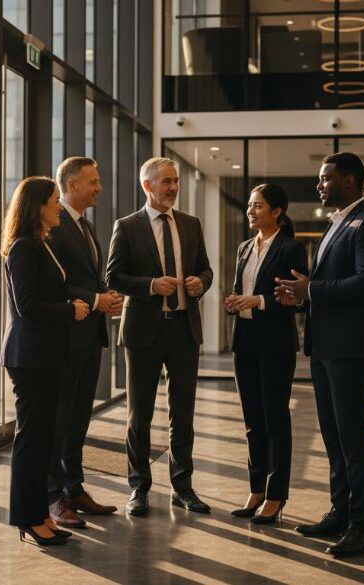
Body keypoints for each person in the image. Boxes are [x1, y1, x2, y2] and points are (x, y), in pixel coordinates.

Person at [275, 152, 364, 557]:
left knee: (352, 437)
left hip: (352, 348)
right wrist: (301, 296)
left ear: (349, 180)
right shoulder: (336, 223)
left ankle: (363, 527)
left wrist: (311, 289)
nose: (319, 185)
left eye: (326, 178)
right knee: (333, 435)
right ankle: (340, 513)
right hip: (325, 346)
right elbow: (329, 285)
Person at [106, 157, 214, 517]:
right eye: (166, 181)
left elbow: (206, 269)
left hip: (184, 327)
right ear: (147, 186)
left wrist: (200, 283)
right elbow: (113, 277)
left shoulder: (191, 224)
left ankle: (183, 486)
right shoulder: (127, 226)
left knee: (183, 413)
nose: (173, 188)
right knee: (140, 414)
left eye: (176, 181)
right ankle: (139, 487)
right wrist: (151, 285)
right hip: (144, 331)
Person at [0, 176, 90, 546]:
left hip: (45, 355)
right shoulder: (23, 247)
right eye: (54, 200)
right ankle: (27, 518)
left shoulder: (40, 243)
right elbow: (29, 306)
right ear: (37, 206)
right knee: (31, 441)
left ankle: (39, 515)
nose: (58, 207)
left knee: (42, 440)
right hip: (30, 357)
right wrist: (71, 310)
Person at [46, 157, 123, 528]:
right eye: (93, 182)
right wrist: (96, 300)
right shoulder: (53, 224)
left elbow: (89, 277)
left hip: (90, 336)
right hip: (64, 339)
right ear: (72, 185)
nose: (99, 188)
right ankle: (53, 498)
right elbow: (55, 284)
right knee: (59, 420)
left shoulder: (86, 226)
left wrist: (106, 296)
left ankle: (74, 488)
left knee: (78, 419)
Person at [224, 184, 307, 525]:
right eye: (250, 205)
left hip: (275, 344)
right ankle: (256, 489)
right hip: (244, 342)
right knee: (252, 422)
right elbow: (239, 289)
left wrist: (257, 301)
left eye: (258, 206)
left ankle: (276, 495)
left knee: (275, 420)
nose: (251, 211)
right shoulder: (245, 247)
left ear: (276, 212)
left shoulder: (291, 248)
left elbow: (296, 300)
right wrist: (234, 301)